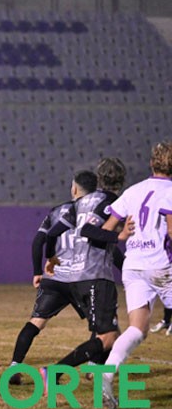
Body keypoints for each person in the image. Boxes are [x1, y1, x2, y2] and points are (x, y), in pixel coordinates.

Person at [40, 158, 130, 390]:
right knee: (109, 337)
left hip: (76, 276)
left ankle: (96, 371)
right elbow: (91, 231)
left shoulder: (79, 203)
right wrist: (117, 237)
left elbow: (52, 233)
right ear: (122, 180)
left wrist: (51, 258)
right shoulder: (113, 202)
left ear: (99, 178)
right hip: (96, 275)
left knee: (110, 331)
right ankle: (56, 371)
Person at [6, 171, 99, 385]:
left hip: (55, 277)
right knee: (100, 324)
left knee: (36, 321)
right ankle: (93, 368)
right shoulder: (99, 213)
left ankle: (14, 366)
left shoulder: (57, 211)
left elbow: (39, 240)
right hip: (82, 277)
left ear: (74, 189)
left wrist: (37, 271)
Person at [100, 142, 172, 409]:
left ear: (152, 163)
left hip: (134, 265)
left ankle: (105, 375)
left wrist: (121, 235)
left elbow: (107, 228)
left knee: (137, 328)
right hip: (163, 265)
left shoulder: (134, 191)